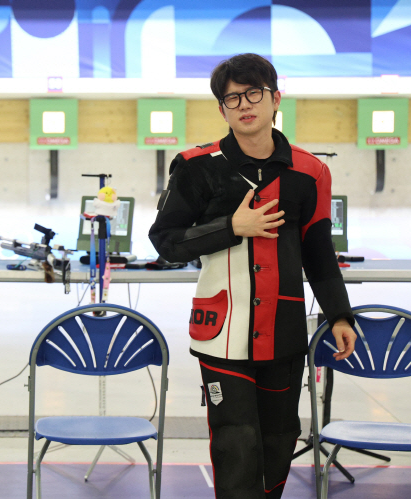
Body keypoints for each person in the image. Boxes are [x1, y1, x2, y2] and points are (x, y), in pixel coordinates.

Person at [148, 53, 357, 499]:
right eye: (232, 98)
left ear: (275, 98)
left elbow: (319, 252)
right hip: (221, 333)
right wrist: (231, 228)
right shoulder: (196, 166)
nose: (245, 104)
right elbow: (165, 241)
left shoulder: (310, 171)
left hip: (284, 332)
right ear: (221, 109)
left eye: (254, 93)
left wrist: (340, 315)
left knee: (280, 440)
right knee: (237, 441)